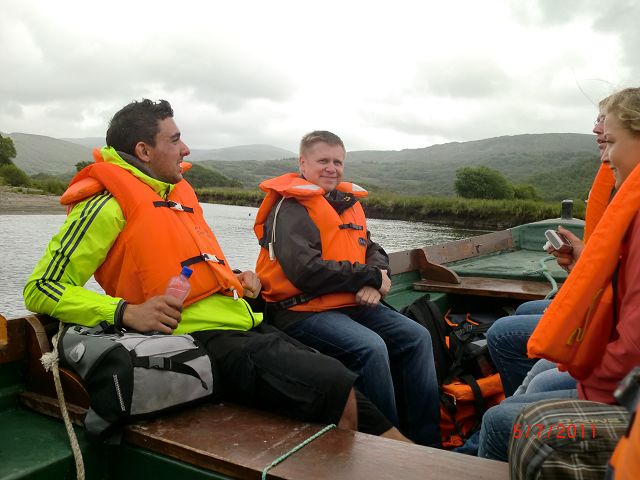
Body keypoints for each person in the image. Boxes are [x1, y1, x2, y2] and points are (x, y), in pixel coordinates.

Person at [23, 100, 407, 441]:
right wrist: (125, 312)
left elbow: (188, 267)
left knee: (352, 393)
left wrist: (237, 279)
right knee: (335, 387)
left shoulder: (174, 195)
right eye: (175, 139)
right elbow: (41, 287)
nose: (186, 149)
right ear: (144, 150)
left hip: (241, 320)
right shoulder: (106, 205)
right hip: (198, 338)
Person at [477, 87, 640, 461]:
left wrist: (587, 377)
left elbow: (632, 343)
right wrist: (584, 260)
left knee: (503, 417)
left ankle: (481, 450)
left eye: (611, 140)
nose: (605, 153)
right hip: (621, 376)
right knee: (532, 377)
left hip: (625, 394)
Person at [253, 130, 440, 446]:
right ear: (303, 163)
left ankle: (428, 442)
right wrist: (369, 278)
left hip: (347, 302)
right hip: (300, 309)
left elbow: (372, 248)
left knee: (417, 336)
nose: (331, 168)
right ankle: (386, 446)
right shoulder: (291, 208)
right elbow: (305, 271)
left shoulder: (345, 203)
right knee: (371, 348)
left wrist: (377, 275)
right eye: (322, 161)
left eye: (337, 162)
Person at [486, 111, 614, 397]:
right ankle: (516, 405)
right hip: (604, 313)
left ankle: (514, 411)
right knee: (524, 311)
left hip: (613, 336)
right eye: (597, 119)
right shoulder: (623, 189)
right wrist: (581, 262)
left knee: (504, 334)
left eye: (604, 120)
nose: (596, 129)